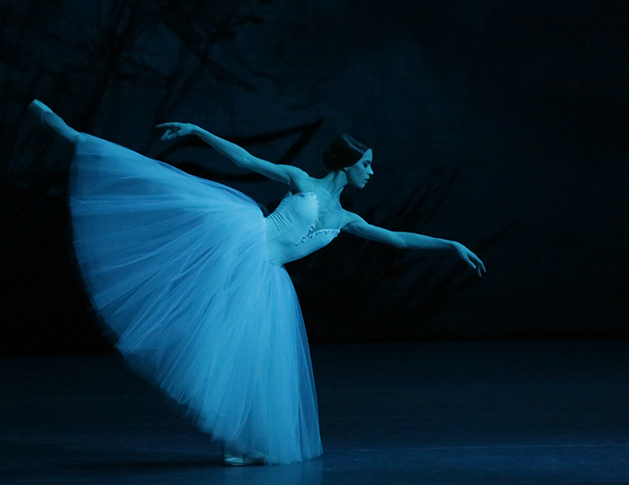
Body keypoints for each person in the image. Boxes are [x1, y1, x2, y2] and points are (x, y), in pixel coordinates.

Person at [29, 100, 486, 466]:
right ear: (346, 165)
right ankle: (65, 130)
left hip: (266, 281)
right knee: (165, 194)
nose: (371, 171)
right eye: (366, 164)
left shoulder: (348, 218)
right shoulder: (300, 180)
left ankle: (241, 443)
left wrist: (450, 243)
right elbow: (246, 158)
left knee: (251, 360)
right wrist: (197, 130)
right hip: (240, 248)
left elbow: (398, 240)